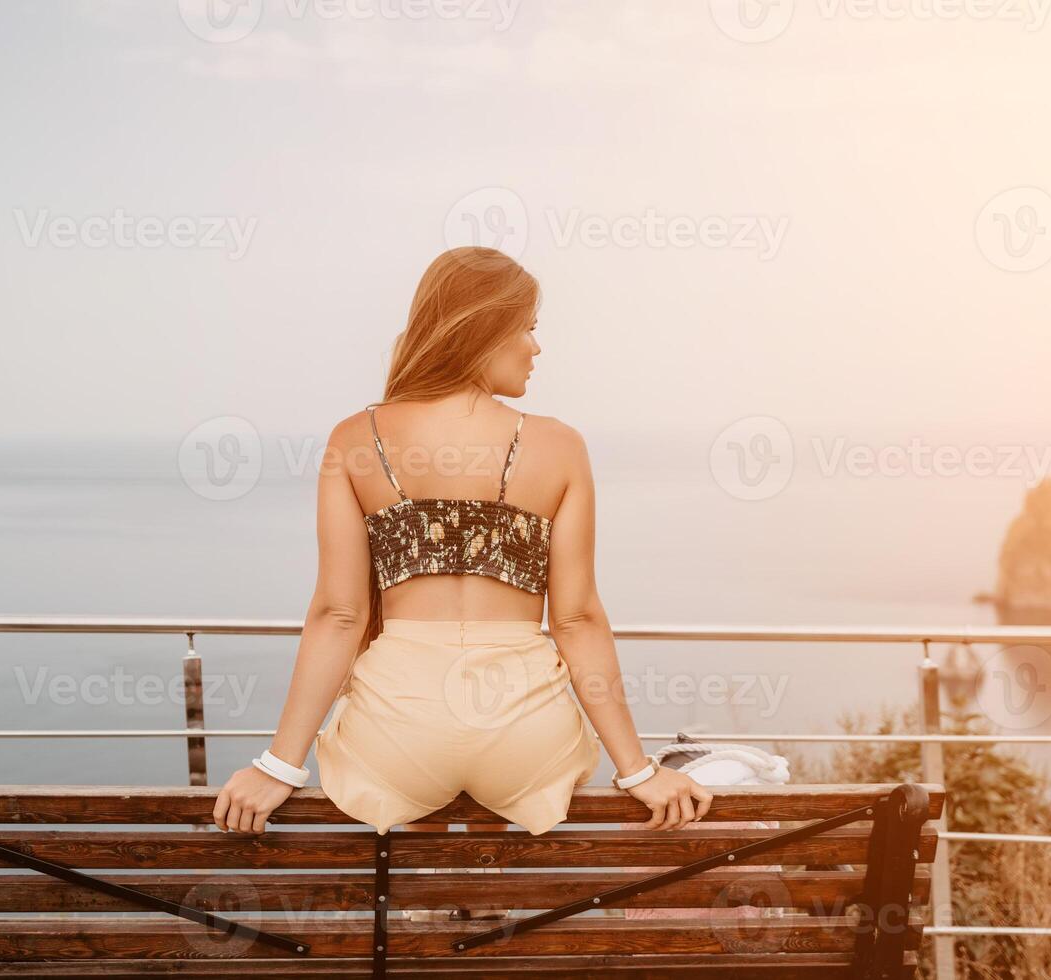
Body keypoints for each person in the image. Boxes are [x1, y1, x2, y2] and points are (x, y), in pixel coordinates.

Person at [212, 246, 713, 917]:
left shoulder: (354, 439)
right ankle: (479, 923)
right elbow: (576, 622)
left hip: (397, 739)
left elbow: (339, 615)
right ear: (483, 327)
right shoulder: (560, 447)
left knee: (396, 797)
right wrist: (640, 771)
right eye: (528, 326)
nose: (537, 347)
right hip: (524, 739)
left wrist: (277, 766)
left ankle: (431, 923)